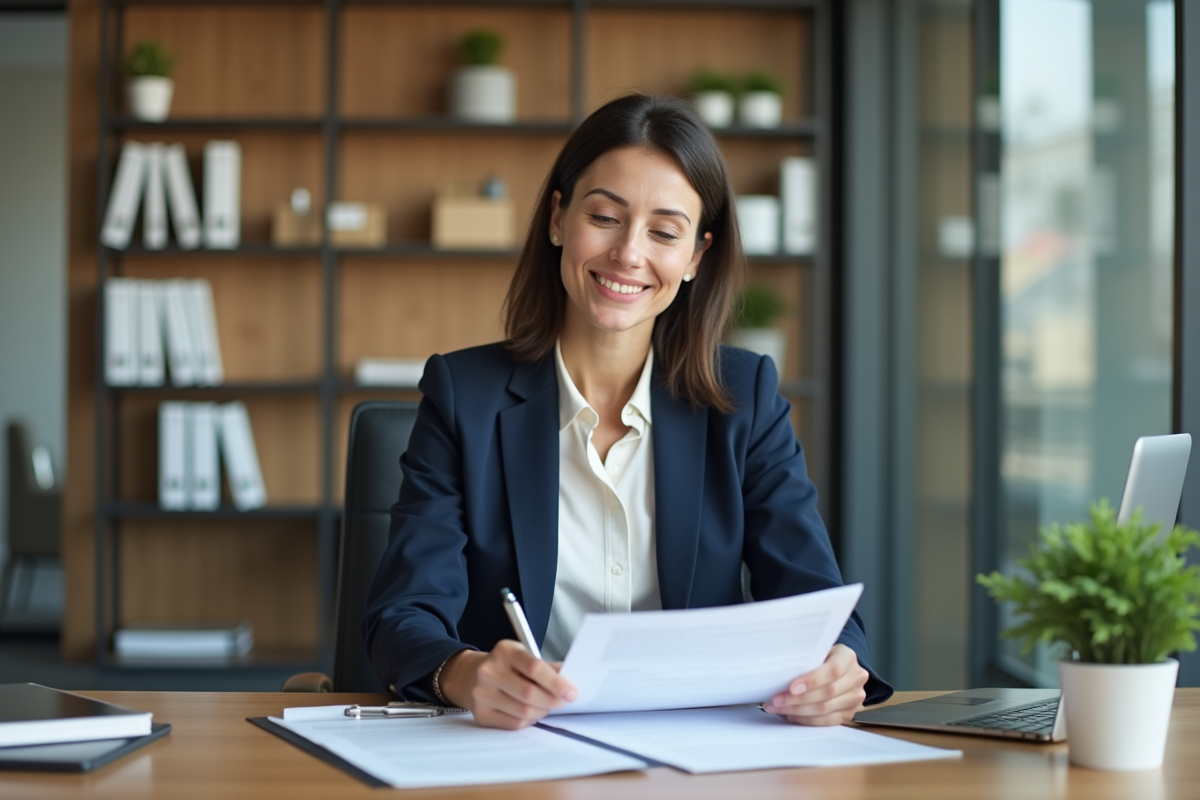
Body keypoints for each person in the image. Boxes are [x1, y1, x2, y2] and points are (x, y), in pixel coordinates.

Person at [364, 94, 892, 730]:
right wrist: (466, 674)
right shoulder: (464, 394)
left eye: (664, 232)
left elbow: (818, 604)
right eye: (606, 217)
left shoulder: (744, 397)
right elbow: (403, 615)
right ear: (558, 218)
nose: (628, 254)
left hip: (703, 750)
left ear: (696, 256)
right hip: (517, 748)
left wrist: (838, 667)